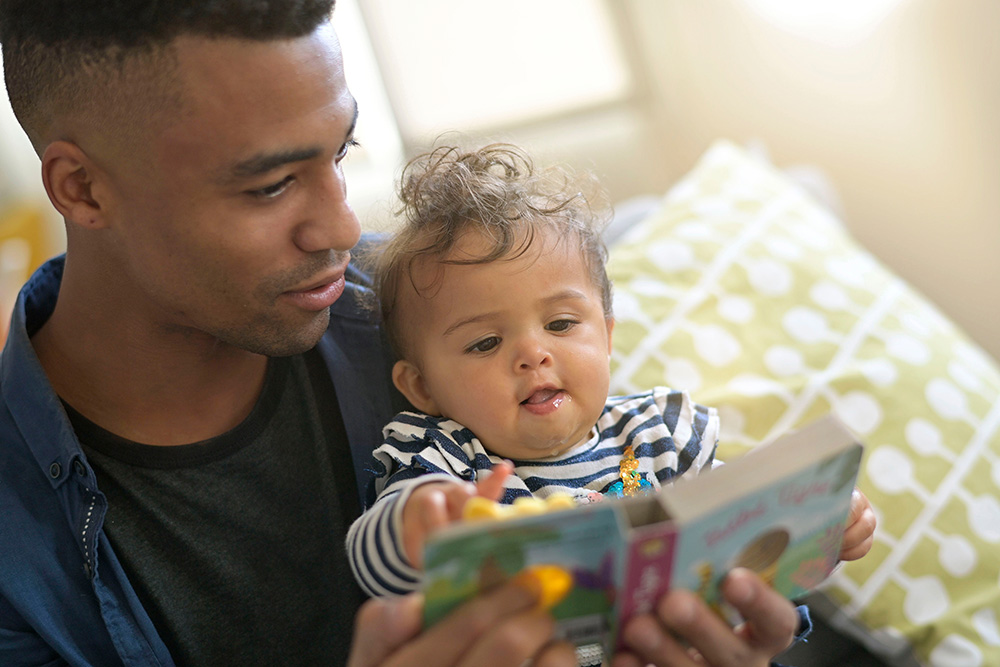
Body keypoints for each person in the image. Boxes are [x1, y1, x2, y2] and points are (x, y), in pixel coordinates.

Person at [0, 1, 837, 666]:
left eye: (342, 151)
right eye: (269, 187)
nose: (339, 223)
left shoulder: (438, 306)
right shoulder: (16, 549)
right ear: (82, 188)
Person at [345, 143, 876, 653]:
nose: (533, 355)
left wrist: (818, 527)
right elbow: (374, 569)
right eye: (485, 342)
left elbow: (737, 542)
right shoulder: (446, 460)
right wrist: (415, 521)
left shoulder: (659, 435)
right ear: (423, 388)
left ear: (606, 335)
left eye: (560, 323)